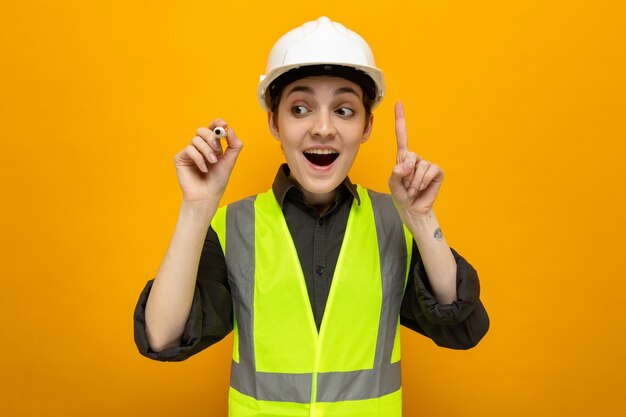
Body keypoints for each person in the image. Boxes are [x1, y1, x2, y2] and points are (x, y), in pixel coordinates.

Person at [134, 16, 489, 417]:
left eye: (344, 110)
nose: (323, 128)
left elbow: (463, 327)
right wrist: (196, 207)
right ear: (274, 121)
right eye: (300, 108)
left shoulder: (396, 223)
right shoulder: (233, 228)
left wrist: (424, 222)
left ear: (367, 126)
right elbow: (162, 337)